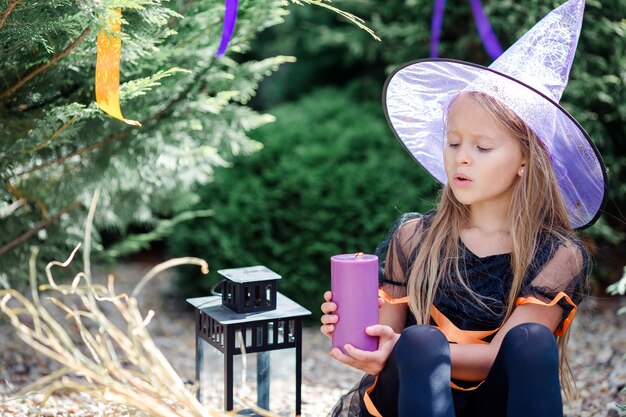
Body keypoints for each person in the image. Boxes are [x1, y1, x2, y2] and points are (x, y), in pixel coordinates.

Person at [320, 0, 608, 416]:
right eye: (453, 143)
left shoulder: (557, 254)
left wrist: (402, 346)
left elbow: (502, 358)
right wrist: (359, 336)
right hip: (410, 397)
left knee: (531, 340)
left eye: (483, 146)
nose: (462, 158)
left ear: (526, 160)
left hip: (497, 402)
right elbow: (383, 340)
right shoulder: (414, 237)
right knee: (420, 341)